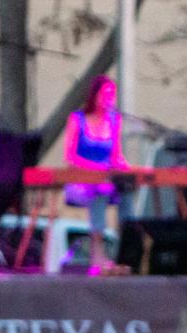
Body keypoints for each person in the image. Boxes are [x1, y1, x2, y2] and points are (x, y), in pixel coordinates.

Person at [64, 76, 128, 272]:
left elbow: (116, 155)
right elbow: (70, 156)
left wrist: (128, 169)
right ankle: (97, 255)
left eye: (112, 95)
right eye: (105, 94)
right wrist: (95, 168)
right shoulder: (77, 119)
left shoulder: (115, 121)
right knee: (100, 189)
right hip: (81, 181)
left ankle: (126, 250)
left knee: (127, 192)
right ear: (95, 95)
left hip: (106, 180)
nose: (109, 98)